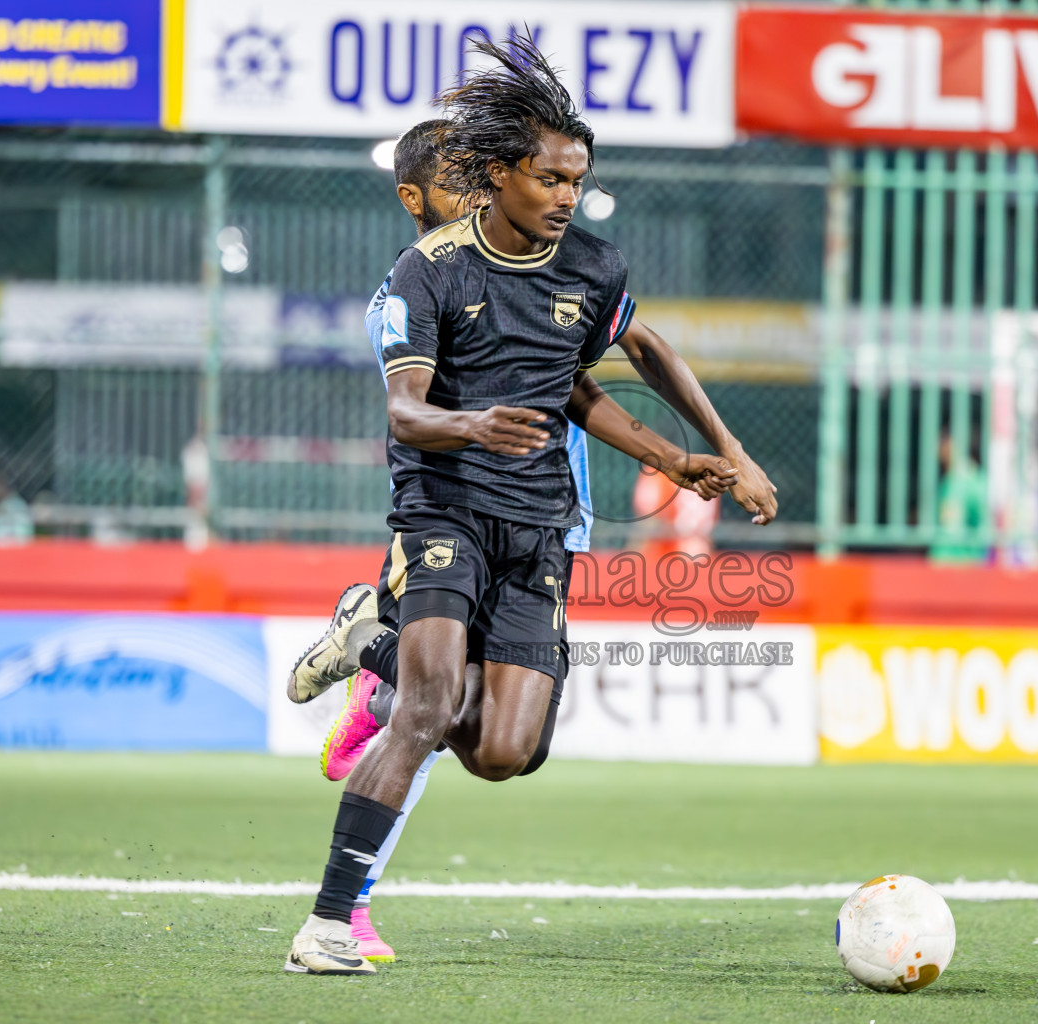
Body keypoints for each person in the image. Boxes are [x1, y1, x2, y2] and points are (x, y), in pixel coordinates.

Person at [281, 40, 776, 975]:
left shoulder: (591, 268)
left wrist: (700, 454)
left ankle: (367, 640)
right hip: (445, 512)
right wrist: (472, 426)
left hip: (541, 524)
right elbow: (405, 409)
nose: (565, 197)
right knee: (427, 710)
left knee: (505, 750)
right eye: (550, 179)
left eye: (577, 182)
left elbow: (601, 376)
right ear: (499, 174)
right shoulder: (427, 272)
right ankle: (330, 923)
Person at [930, 429, 988, 565]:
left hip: (962, 563)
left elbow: (983, 524)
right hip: (943, 561)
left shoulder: (973, 480)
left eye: (944, 442)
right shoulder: (948, 480)